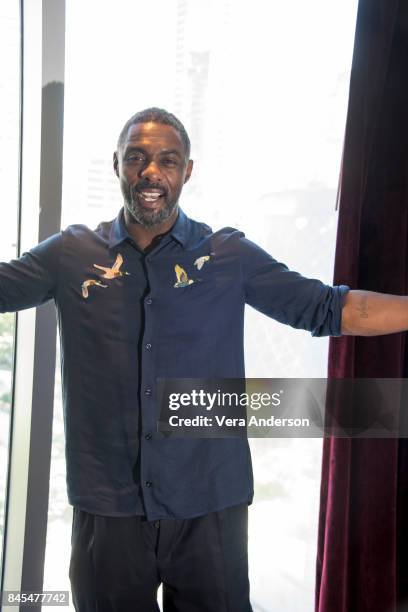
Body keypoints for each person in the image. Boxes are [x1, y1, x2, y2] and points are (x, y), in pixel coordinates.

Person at [1, 107, 408, 612]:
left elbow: (331, 307)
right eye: (137, 158)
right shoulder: (71, 254)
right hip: (108, 511)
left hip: (211, 509)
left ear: (187, 171)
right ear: (117, 165)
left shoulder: (227, 255)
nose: (151, 172)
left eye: (168, 160)